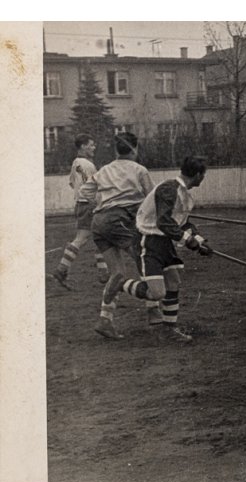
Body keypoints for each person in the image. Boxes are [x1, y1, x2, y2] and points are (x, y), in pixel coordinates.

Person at [104, 156, 212, 344]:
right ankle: (120, 283)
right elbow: (164, 222)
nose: (203, 178)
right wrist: (189, 241)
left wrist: (199, 240)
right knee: (157, 293)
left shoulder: (185, 194)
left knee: (173, 283)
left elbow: (183, 223)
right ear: (197, 175)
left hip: (164, 242)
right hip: (148, 241)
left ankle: (168, 330)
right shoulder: (168, 189)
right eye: (203, 175)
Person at [79, 132, 161, 339]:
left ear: (116, 150)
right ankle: (154, 312)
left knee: (117, 272)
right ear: (135, 149)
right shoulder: (139, 170)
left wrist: (101, 204)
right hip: (120, 221)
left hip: (99, 223)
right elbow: (151, 199)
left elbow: (85, 192)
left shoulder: (105, 169)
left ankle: (105, 321)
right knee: (145, 260)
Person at [52, 134, 109, 289]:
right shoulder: (89, 166)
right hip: (89, 204)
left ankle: (104, 273)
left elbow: (72, 183)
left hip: (80, 204)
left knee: (97, 236)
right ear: (83, 146)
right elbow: (94, 186)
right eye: (91, 145)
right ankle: (62, 270)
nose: (94, 147)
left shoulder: (75, 163)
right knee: (84, 238)